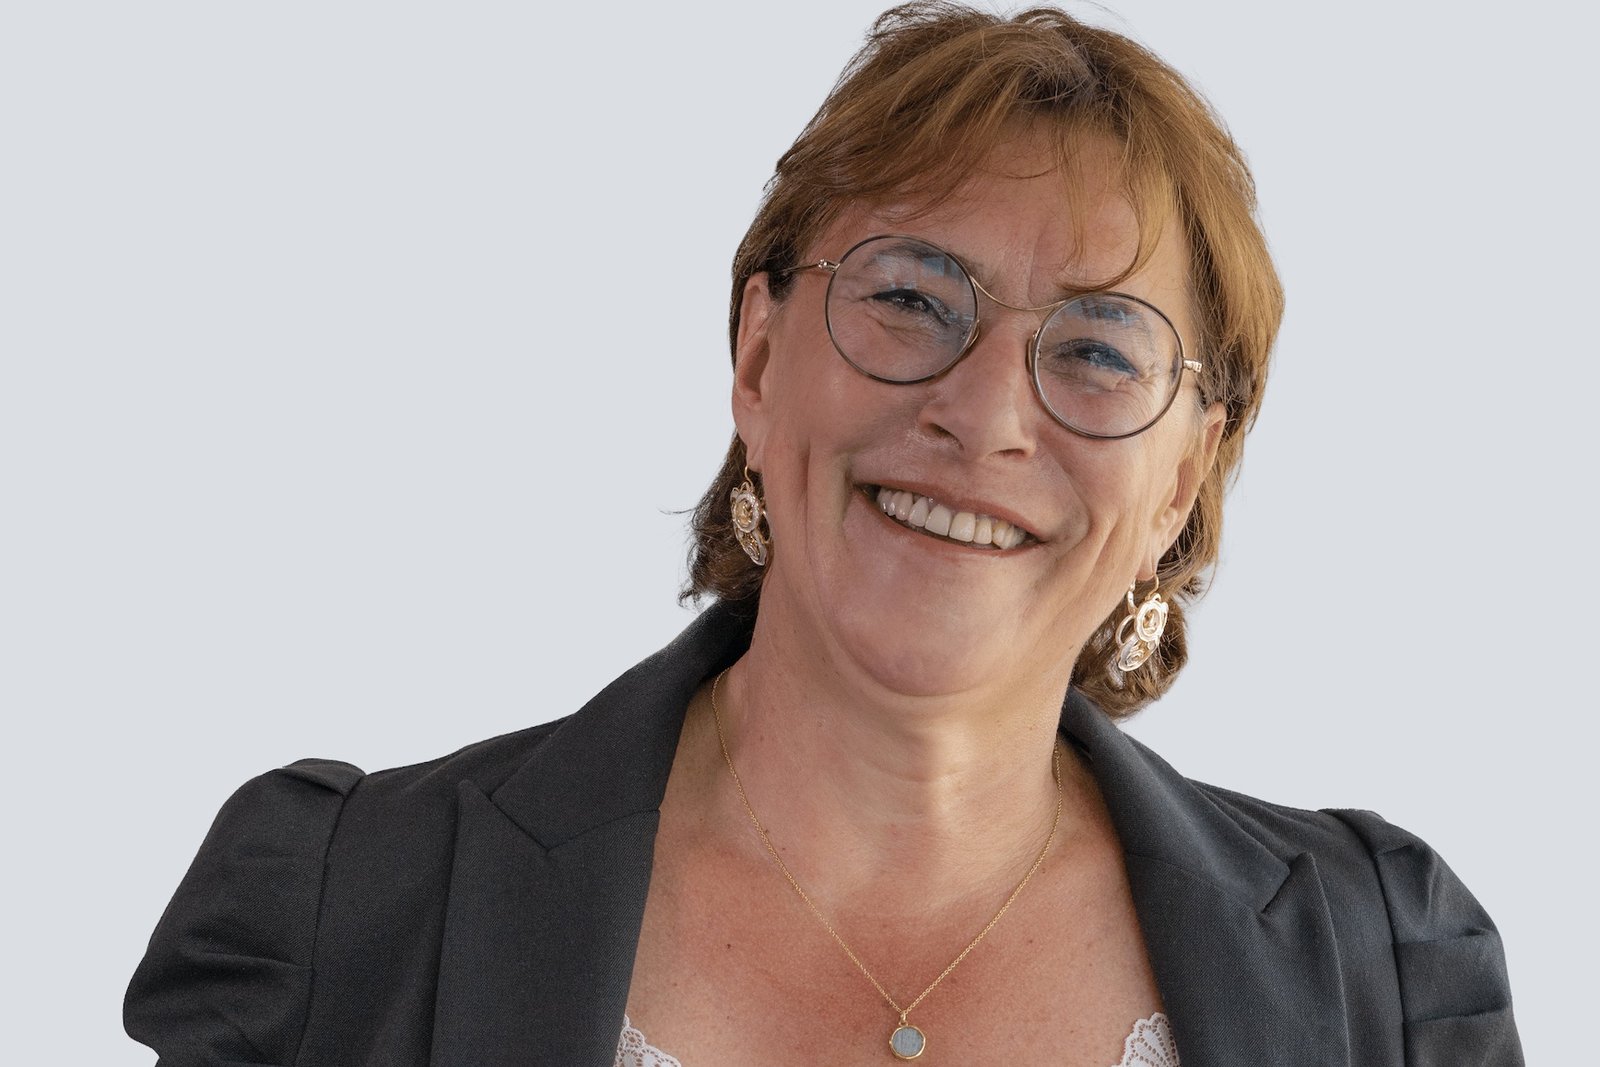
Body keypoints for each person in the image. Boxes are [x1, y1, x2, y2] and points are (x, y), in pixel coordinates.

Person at [124, 4, 1523, 1064]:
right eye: (912, 299)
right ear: (757, 355)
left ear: (1180, 483)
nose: (985, 416)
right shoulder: (342, 919)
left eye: (1099, 351)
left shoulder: (1388, 976)